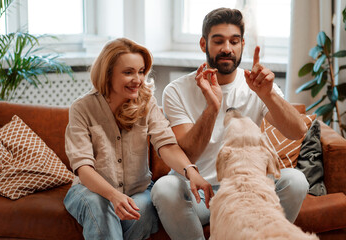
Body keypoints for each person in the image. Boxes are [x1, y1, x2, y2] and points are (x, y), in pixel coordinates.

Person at [151, 8, 309, 240]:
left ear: (243, 44)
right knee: (164, 189)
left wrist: (268, 95)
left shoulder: (258, 85)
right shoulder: (176, 90)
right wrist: (212, 108)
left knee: (295, 181)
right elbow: (189, 154)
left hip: (249, 190)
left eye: (234, 41)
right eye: (218, 41)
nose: (227, 48)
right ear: (203, 43)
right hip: (199, 194)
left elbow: (298, 131)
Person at [63, 38, 213, 240]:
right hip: (90, 190)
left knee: (140, 211)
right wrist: (113, 196)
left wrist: (191, 172)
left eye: (141, 71)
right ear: (107, 74)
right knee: (101, 207)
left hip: (139, 189)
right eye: (128, 72)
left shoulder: (147, 104)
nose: (138, 79)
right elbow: (83, 168)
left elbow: (166, 145)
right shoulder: (82, 108)